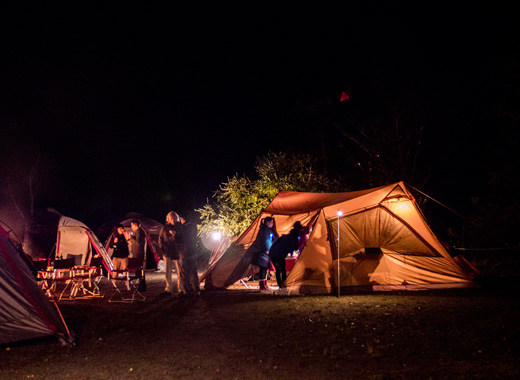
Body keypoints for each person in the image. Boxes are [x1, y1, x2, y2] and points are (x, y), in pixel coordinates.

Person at [268, 221, 303, 288]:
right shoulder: (292, 239)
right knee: (283, 269)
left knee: (278, 269)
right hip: (279, 254)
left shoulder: (285, 237)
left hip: (272, 253)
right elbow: (291, 248)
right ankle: (284, 284)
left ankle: (280, 284)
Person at [158, 211, 183, 295]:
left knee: (180, 271)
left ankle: (181, 288)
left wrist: (175, 238)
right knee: (168, 272)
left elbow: (183, 239)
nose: (173, 219)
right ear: (168, 219)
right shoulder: (164, 228)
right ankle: (168, 289)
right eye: (171, 218)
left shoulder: (180, 227)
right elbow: (160, 239)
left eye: (175, 217)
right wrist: (162, 249)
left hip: (177, 253)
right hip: (167, 253)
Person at [250, 216, 278, 290]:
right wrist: (270, 249)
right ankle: (262, 285)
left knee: (264, 268)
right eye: (271, 222)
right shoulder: (266, 229)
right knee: (263, 268)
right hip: (263, 252)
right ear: (267, 222)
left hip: (262, 251)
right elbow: (267, 241)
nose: (272, 224)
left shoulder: (263, 229)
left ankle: (264, 284)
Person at [178, 214, 201, 297]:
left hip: (185, 251)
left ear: (183, 219)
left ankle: (186, 290)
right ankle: (196, 290)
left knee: (185, 272)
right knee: (193, 271)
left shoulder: (184, 228)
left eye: (180, 219)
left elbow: (181, 239)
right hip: (193, 251)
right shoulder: (194, 227)